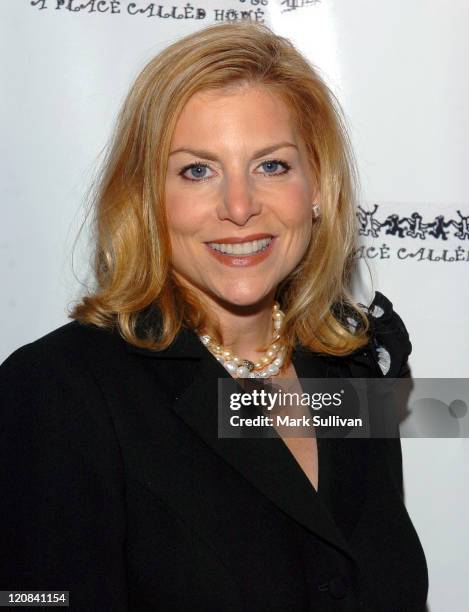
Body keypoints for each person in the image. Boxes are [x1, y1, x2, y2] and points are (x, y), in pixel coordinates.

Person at [0, 20, 428, 611]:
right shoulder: (61, 390)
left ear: (317, 187)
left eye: (272, 165)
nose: (239, 206)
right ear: (146, 196)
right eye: (197, 170)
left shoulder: (352, 365)